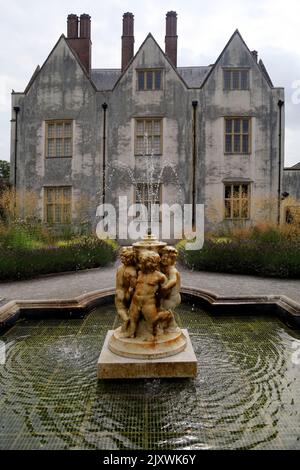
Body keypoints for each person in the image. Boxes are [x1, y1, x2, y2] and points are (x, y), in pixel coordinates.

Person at [115, 247, 137, 323]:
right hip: (123, 292)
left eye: (124, 257)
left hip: (123, 292)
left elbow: (132, 287)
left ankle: (127, 321)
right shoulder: (122, 268)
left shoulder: (129, 270)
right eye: (121, 256)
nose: (122, 258)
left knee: (121, 309)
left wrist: (129, 293)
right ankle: (128, 321)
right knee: (123, 309)